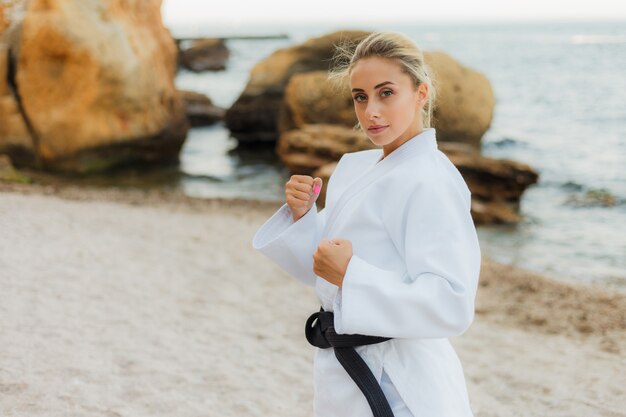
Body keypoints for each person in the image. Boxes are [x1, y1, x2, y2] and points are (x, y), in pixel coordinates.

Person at [252, 31, 481, 417]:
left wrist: (352, 276)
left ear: (420, 94)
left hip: (397, 383)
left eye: (386, 93)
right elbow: (325, 268)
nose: (370, 110)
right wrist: (303, 216)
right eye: (360, 96)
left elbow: (452, 303)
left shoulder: (430, 179)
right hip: (345, 370)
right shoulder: (359, 169)